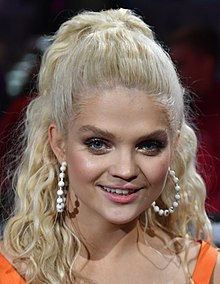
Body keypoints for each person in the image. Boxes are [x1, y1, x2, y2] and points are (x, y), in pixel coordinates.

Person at [0, 8, 219, 283]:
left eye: (149, 145)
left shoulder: (207, 271)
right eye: (98, 143)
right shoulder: (12, 271)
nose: (125, 170)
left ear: (174, 146)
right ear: (57, 143)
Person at [168, 26, 220, 215]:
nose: (175, 74)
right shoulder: (170, 110)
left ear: (206, 63)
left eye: (180, 64)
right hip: (178, 217)